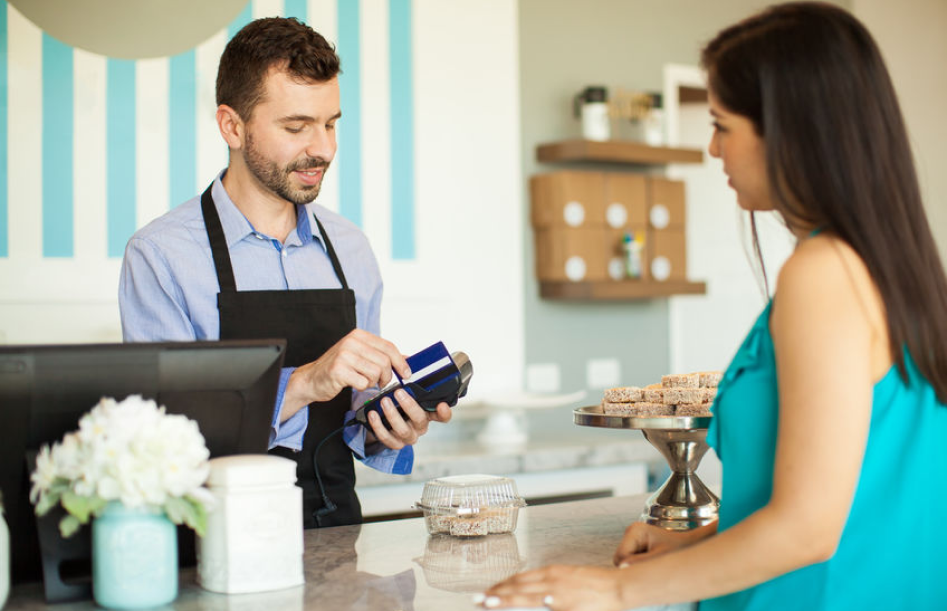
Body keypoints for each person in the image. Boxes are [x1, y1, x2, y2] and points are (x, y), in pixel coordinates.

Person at [480, 3, 947, 609]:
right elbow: (852, 492)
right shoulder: (886, 264)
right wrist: (691, 543)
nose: (711, 148)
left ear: (789, 131)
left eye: (722, 125)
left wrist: (618, 590)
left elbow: (808, 528)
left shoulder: (822, 275)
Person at [119, 17, 451, 529]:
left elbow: (352, 421)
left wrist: (391, 422)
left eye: (331, 123)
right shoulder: (160, 255)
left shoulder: (351, 248)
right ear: (232, 126)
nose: (322, 148)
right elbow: (160, 442)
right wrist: (305, 381)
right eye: (296, 128)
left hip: (336, 535)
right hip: (215, 545)